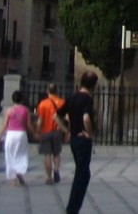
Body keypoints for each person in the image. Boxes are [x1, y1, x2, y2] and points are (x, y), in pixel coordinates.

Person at [58, 70, 98, 214]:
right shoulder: (87, 98)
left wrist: (67, 130)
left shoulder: (73, 97)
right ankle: (72, 208)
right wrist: (90, 133)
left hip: (74, 139)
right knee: (82, 174)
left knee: (81, 173)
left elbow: (56, 116)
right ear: (93, 85)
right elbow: (86, 118)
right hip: (82, 140)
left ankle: (73, 207)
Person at [1, 90, 35, 187]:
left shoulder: (9, 111)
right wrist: (34, 133)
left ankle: (13, 179)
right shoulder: (26, 110)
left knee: (10, 155)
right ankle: (19, 173)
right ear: (22, 99)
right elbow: (29, 124)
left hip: (10, 134)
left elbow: (5, 125)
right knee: (21, 154)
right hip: (21, 134)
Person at [35, 83, 64, 184]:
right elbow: (66, 118)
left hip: (46, 132)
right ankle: (56, 169)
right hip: (57, 131)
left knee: (47, 154)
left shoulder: (43, 103)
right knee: (57, 153)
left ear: (48, 91)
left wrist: (38, 131)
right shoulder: (61, 102)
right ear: (57, 91)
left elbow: (40, 120)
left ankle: (49, 177)